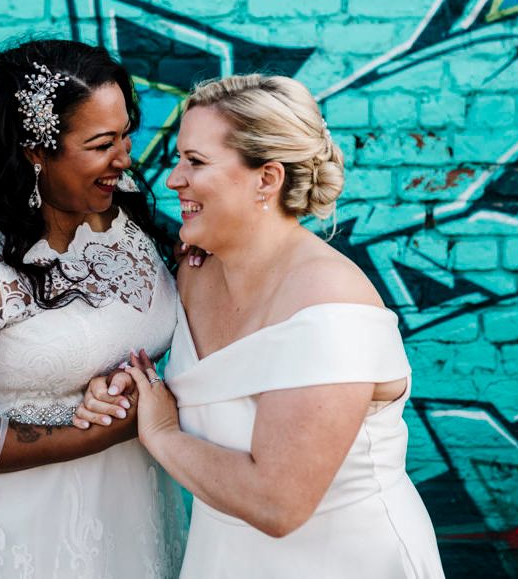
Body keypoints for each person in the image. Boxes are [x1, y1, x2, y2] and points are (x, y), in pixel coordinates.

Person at [86, 74, 444, 577]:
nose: (173, 179)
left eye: (196, 161)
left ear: (267, 179)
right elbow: (200, 386)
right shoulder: (196, 273)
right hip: (223, 557)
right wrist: (131, 383)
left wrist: (162, 433)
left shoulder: (330, 307)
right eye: (179, 157)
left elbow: (279, 505)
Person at [0, 39, 186, 577]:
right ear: (34, 150)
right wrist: (119, 425)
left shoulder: (122, 216)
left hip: (129, 503)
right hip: (16, 528)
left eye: (125, 135)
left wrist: (130, 389)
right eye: (101, 143)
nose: (125, 160)